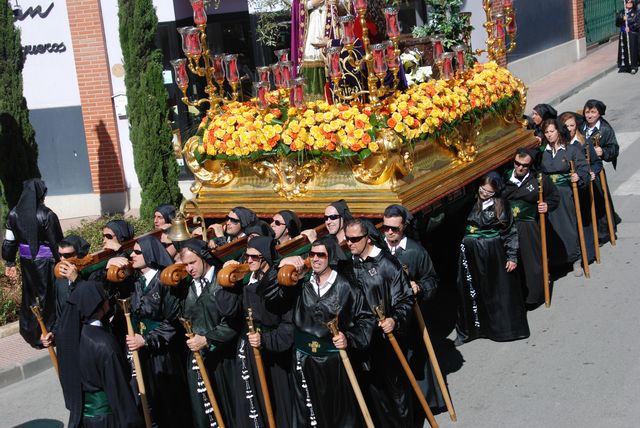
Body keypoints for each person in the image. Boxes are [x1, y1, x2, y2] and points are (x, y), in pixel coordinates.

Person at [276, 236, 375, 427]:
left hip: (334, 362)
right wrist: (282, 264)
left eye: (321, 254)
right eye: (312, 254)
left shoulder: (347, 287)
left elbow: (366, 320)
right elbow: (270, 292)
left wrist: (350, 338)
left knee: (340, 415)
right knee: (309, 413)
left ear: (330, 257)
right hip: (303, 360)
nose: (315, 259)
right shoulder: (301, 283)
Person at [344, 218, 415, 428]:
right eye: (347, 239)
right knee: (373, 391)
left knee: (395, 390)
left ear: (367, 238)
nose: (350, 243)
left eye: (355, 239)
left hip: (387, 339)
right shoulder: (350, 264)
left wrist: (395, 319)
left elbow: (405, 299)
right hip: (363, 339)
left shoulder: (387, 264)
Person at [220, 236, 294, 428]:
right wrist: (228, 280)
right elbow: (229, 310)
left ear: (266, 257)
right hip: (249, 350)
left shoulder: (278, 281)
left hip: (273, 351)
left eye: (255, 257)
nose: (249, 261)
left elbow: (287, 323)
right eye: (247, 256)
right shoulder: (245, 281)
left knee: (277, 400)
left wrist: (266, 340)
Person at [382, 204, 445, 421]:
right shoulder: (378, 250)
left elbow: (432, 280)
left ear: (404, 227)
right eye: (386, 227)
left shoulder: (416, 252)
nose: (389, 232)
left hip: (410, 318)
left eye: (394, 229)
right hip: (387, 318)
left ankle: (424, 402)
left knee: (416, 359)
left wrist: (420, 286)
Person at [455, 173, 529, 345]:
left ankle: (503, 329)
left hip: (493, 253)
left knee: (497, 290)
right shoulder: (469, 202)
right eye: (483, 189)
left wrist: (512, 256)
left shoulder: (501, 205)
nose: (484, 194)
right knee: (472, 289)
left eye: (489, 192)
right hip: (471, 254)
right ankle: (473, 330)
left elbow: (510, 231)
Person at [56, 280, 142, 427]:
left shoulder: (69, 337)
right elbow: (118, 390)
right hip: (106, 419)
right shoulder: (103, 344)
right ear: (101, 304)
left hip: (83, 417)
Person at [126, 235, 192, 427]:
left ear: (150, 254)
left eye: (137, 252)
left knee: (169, 403)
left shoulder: (165, 281)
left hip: (164, 354)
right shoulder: (138, 281)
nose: (132, 255)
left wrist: (146, 340)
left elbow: (172, 324)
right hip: (143, 351)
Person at [179, 239, 239, 428]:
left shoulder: (223, 281)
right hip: (198, 357)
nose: (189, 269)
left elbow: (233, 323)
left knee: (228, 409)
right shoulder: (188, 286)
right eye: (186, 264)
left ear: (204, 258)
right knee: (203, 412)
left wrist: (207, 339)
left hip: (224, 358)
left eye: (192, 263)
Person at [2, 178, 63, 348]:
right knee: (48, 297)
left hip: (27, 263)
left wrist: (9, 262)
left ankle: (34, 333)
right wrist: (64, 262)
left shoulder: (13, 214)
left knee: (31, 296)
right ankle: (50, 332)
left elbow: (9, 241)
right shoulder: (47, 214)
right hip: (46, 264)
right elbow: (57, 244)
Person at [503, 149, 560, 307]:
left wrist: (546, 205)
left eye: (524, 166)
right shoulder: (505, 177)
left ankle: (534, 296)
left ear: (530, 166)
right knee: (512, 261)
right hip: (508, 226)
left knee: (531, 261)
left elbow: (554, 197)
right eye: (517, 164)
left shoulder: (539, 180)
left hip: (528, 225)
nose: (520, 168)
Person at [539, 118, 590, 276]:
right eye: (546, 132)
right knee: (550, 227)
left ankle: (575, 259)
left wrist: (578, 176)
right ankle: (555, 262)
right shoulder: (542, 152)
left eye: (552, 131)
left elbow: (583, 167)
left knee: (568, 224)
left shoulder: (570, 150)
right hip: (548, 195)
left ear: (559, 131)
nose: (549, 135)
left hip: (565, 194)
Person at [561, 111, 601, 263]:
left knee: (584, 220)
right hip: (566, 191)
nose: (570, 129)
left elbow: (597, 163)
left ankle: (588, 253)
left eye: (572, 125)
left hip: (582, 188)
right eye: (566, 126)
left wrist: (591, 172)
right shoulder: (560, 145)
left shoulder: (584, 142)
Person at [582, 99, 622, 244]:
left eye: (593, 112)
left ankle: (605, 231)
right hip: (582, 169)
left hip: (596, 172)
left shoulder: (605, 129)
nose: (589, 115)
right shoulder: (581, 126)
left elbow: (614, 148)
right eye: (587, 112)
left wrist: (603, 151)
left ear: (599, 113)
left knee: (600, 202)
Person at [42, 235, 91, 348]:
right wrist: (53, 333)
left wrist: (76, 280)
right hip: (68, 339)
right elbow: (61, 313)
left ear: (79, 254)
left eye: (67, 255)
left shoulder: (91, 275)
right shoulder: (61, 280)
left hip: (87, 338)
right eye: (60, 255)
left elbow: (91, 305)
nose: (63, 259)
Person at [615, 0, 640, 74]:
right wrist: (622, 19)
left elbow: (638, 23)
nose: (629, 4)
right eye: (627, 3)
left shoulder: (636, 12)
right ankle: (625, 66)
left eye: (630, 3)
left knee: (632, 51)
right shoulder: (622, 12)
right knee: (624, 50)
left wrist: (631, 28)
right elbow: (617, 23)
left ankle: (633, 67)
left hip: (632, 34)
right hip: (623, 34)